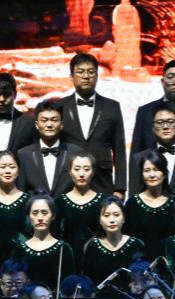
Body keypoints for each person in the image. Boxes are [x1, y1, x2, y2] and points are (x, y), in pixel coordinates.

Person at [58, 52, 127, 195]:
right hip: (67, 183)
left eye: (91, 72)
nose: (86, 76)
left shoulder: (112, 107)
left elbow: (119, 149)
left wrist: (120, 188)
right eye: (80, 72)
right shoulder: (60, 106)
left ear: (97, 75)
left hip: (102, 181)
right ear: (71, 76)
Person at [17, 99, 86, 196]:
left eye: (54, 120)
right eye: (44, 120)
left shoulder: (75, 152)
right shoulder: (23, 155)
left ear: (61, 125)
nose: (49, 125)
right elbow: (21, 192)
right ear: (37, 125)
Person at [11, 194, 77, 288]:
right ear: (29, 216)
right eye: (35, 213)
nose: (40, 218)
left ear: (53, 216)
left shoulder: (63, 248)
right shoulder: (19, 249)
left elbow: (69, 285)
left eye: (44, 213)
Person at [81, 196, 145, 285]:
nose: (112, 220)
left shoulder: (136, 245)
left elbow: (142, 279)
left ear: (124, 218)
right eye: (106, 215)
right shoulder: (92, 246)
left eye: (116, 215)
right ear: (100, 220)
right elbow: (88, 281)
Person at [123, 150, 175, 254]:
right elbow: (125, 237)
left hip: (169, 260)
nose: (152, 175)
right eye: (147, 170)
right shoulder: (132, 203)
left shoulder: (174, 203)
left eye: (156, 170)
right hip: (139, 261)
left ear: (165, 173)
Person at [0, 150, 30, 258]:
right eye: (3, 167)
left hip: (22, 258)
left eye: (12, 167)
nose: (7, 171)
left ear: (18, 170)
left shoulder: (29, 201)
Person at [57, 152, 104, 253]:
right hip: (67, 256)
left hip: (97, 256)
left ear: (93, 172)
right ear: (70, 172)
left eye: (86, 169)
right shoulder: (59, 202)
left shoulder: (103, 201)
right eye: (77, 169)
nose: (81, 174)